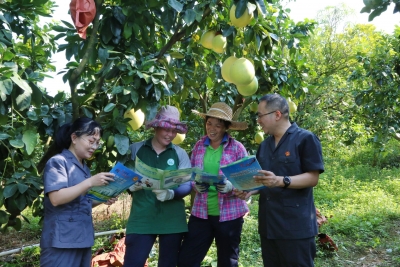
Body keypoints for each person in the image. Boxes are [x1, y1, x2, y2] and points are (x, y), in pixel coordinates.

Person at [235, 93, 325, 267]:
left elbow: (313, 178)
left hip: (296, 226)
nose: (258, 120)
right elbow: (263, 180)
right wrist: (249, 190)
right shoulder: (264, 146)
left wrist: (281, 181)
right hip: (269, 225)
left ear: (277, 114)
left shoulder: (305, 139)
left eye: (260, 115)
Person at [178, 102, 250, 267]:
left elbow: (246, 181)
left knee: (228, 261)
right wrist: (196, 185)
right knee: (186, 259)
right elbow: (192, 174)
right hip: (201, 212)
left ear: (225, 127)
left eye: (218, 125)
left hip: (229, 215)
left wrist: (231, 187)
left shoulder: (237, 148)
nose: (212, 128)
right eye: (209, 123)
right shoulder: (199, 146)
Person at [40, 117, 117, 267]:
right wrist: (89, 182)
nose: (94, 146)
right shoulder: (58, 162)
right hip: (61, 241)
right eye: (91, 140)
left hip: (82, 238)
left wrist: (103, 198)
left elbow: (80, 202)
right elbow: (56, 198)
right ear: (74, 138)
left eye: (97, 143)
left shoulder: (84, 168)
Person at [123, 105, 191, 267]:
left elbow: (187, 183)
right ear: (156, 127)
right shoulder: (135, 149)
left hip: (172, 221)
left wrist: (171, 194)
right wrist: (130, 186)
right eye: (166, 129)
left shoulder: (179, 153)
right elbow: (121, 177)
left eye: (174, 131)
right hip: (141, 220)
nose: (170, 135)